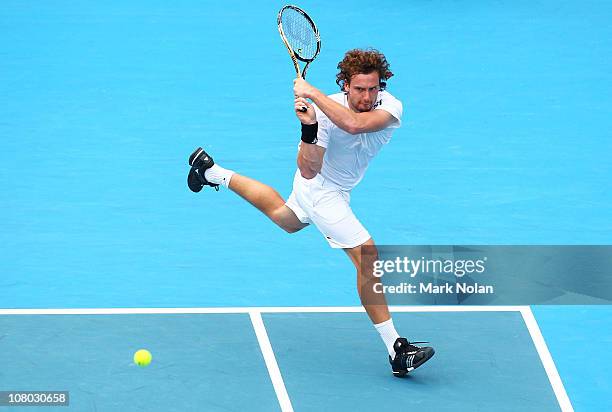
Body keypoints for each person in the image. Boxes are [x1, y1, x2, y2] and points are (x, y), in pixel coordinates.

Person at [187, 48, 434, 377]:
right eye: (359, 89)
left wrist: (312, 93)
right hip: (321, 190)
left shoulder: (390, 106)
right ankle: (395, 349)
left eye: (373, 88)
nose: (367, 96)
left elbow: (357, 125)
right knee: (367, 255)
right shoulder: (322, 114)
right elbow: (307, 170)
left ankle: (211, 172)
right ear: (345, 85)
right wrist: (309, 127)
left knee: (285, 218)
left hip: (338, 191)